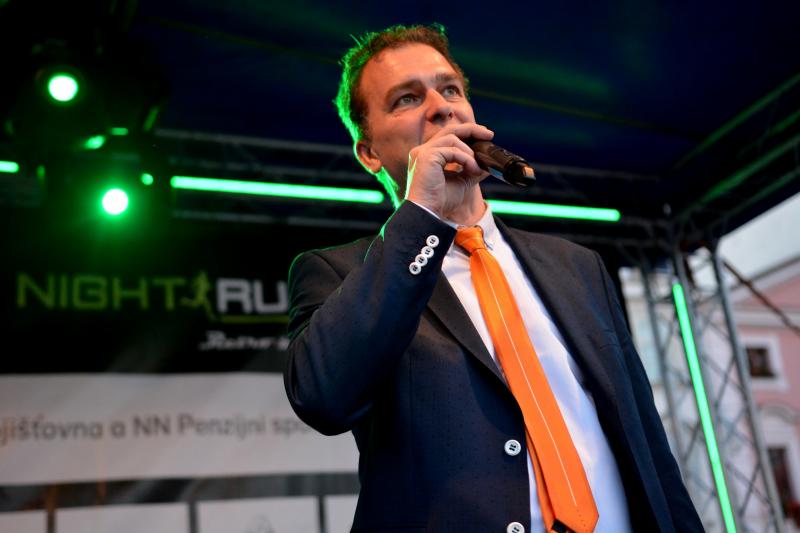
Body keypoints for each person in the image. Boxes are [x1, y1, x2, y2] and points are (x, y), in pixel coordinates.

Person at [284, 24, 704, 533]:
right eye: (407, 99)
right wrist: (422, 213)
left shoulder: (577, 266)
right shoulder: (339, 273)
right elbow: (324, 398)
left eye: (450, 89)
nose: (441, 108)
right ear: (369, 153)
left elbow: (648, 446)